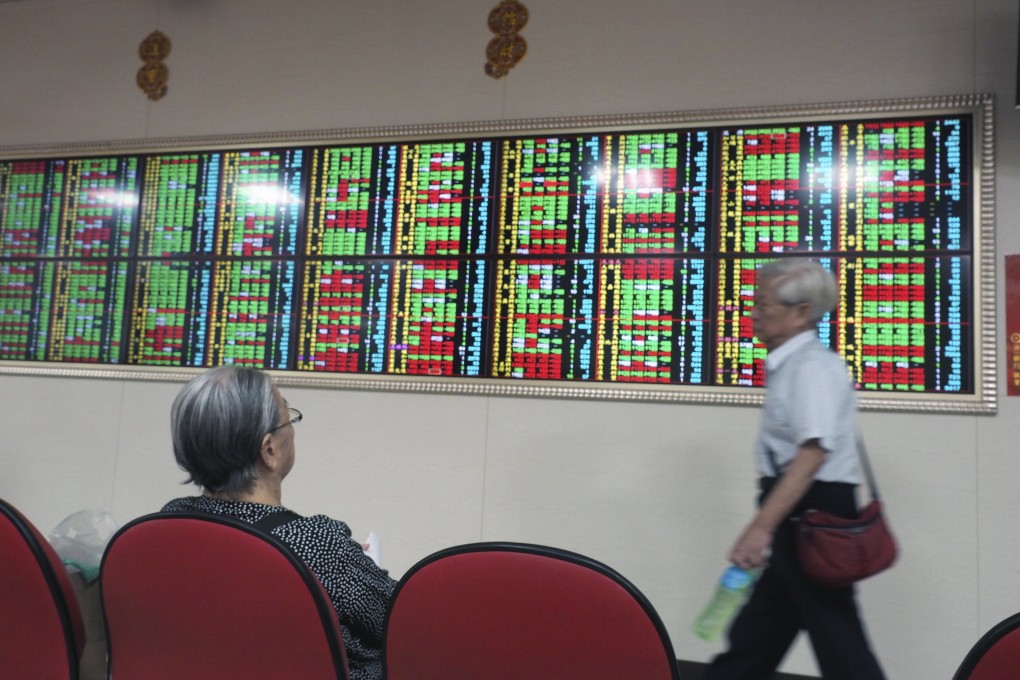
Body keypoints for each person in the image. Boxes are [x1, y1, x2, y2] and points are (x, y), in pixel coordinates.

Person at [705, 259, 886, 680]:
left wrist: (760, 527)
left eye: (763, 303)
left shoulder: (813, 369)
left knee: (838, 640)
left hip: (813, 508)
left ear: (801, 312)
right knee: (759, 635)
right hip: (800, 508)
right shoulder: (791, 365)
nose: (753, 312)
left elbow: (811, 456)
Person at [163, 365, 396, 680]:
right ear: (269, 449)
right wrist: (357, 564)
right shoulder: (317, 545)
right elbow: (404, 624)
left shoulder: (168, 527)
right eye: (288, 416)